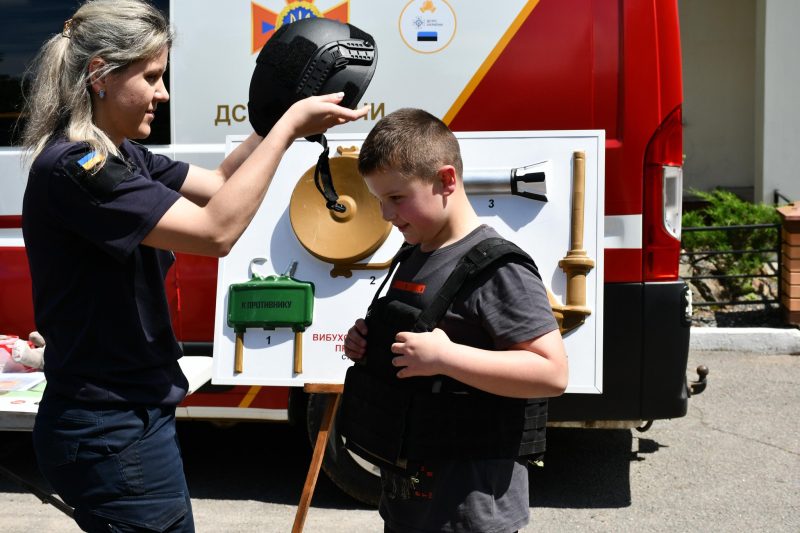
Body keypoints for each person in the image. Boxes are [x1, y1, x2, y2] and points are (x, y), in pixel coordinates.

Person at [18, 1, 368, 531]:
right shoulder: (79, 167)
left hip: (126, 417)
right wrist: (289, 128)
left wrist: (280, 115)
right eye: (151, 77)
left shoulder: (123, 156)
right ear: (100, 75)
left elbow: (222, 183)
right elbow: (216, 231)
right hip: (111, 424)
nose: (163, 93)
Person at [343, 108, 569, 533]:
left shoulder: (499, 268)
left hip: (470, 513)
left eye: (396, 198)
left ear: (446, 180)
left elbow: (551, 373)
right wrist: (369, 343)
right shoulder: (413, 254)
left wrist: (446, 358)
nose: (386, 214)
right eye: (378, 200)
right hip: (408, 506)